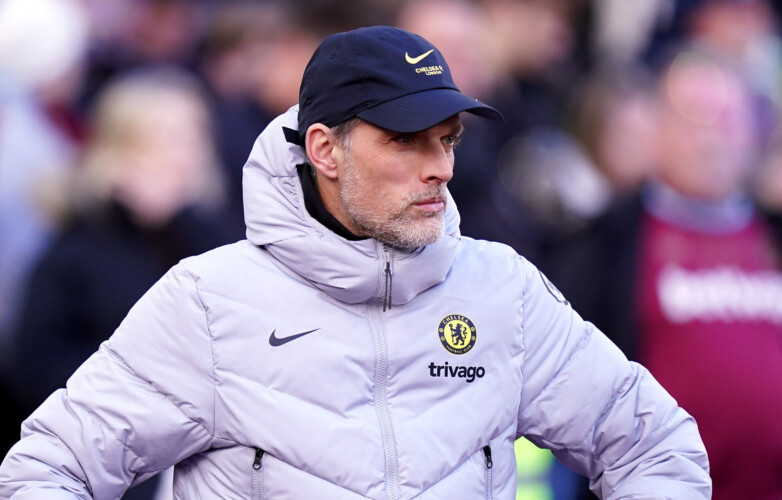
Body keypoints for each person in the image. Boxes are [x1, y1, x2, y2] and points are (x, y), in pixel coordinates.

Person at [0, 26, 710, 499]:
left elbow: (658, 448)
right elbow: (49, 468)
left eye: (448, 139)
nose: (440, 167)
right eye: (406, 140)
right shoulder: (209, 301)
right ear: (324, 149)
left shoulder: (503, 291)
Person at [548, 48, 782, 500]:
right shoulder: (607, 241)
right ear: (657, 129)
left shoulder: (772, 234)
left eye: (728, 119)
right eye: (695, 118)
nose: (713, 137)